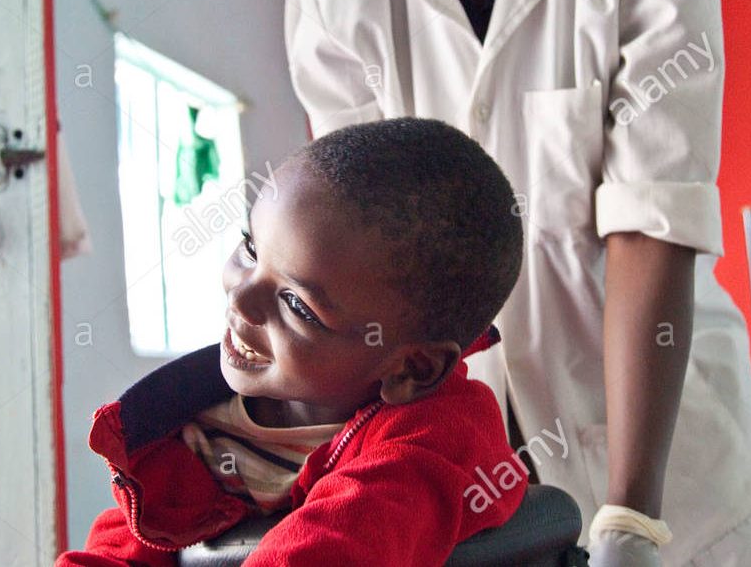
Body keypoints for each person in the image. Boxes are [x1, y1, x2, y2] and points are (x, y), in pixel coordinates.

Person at [283, 0, 751, 565]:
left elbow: (649, 224)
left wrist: (631, 518)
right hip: (483, 487)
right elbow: (364, 256)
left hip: (669, 461)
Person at [55, 118, 528, 567]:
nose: (241, 301)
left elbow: (334, 545)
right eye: (251, 249)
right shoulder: (192, 424)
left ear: (413, 369)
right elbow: (119, 550)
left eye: (298, 305)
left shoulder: (439, 436)